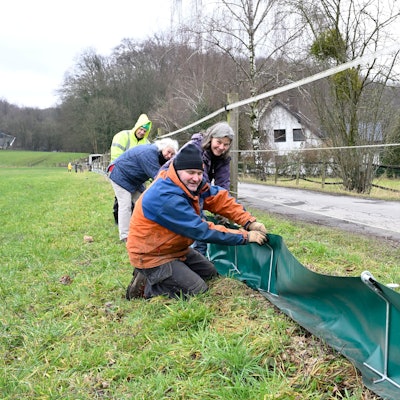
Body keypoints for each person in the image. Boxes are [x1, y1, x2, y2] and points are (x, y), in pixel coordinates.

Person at [125, 143, 268, 300]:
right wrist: (245, 236)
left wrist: (248, 222)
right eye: (190, 172)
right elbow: (201, 230)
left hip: (174, 248)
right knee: (197, 289)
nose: (196, 178)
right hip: (152, 255)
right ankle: (146, 287)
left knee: (211, 274)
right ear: (177, 171)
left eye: (199, 173)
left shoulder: (191, 185)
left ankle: (162, 276)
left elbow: (218, 199)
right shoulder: (165, 197)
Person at [108, 138, 179, 242]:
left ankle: (144, 229)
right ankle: (125, 236)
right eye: (168, 152)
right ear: (162, 147)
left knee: (143, 203)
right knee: (125, 204)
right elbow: (158, 176)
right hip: (120, 174)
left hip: (134, 179)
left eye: (172, 154)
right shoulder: (149, 153)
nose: (169, 156)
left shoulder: (160, 156)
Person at [110, 114, 152, 224]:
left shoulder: (147, 143)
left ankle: (137, 222)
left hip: (137, 176)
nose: (142, 132)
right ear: (137, 127)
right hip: (121, 172)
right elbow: (116, 157)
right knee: (123, 199)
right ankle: (120, 221)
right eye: (141, 129)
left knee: (141, 199)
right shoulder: (123, 136)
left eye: (145, 131)